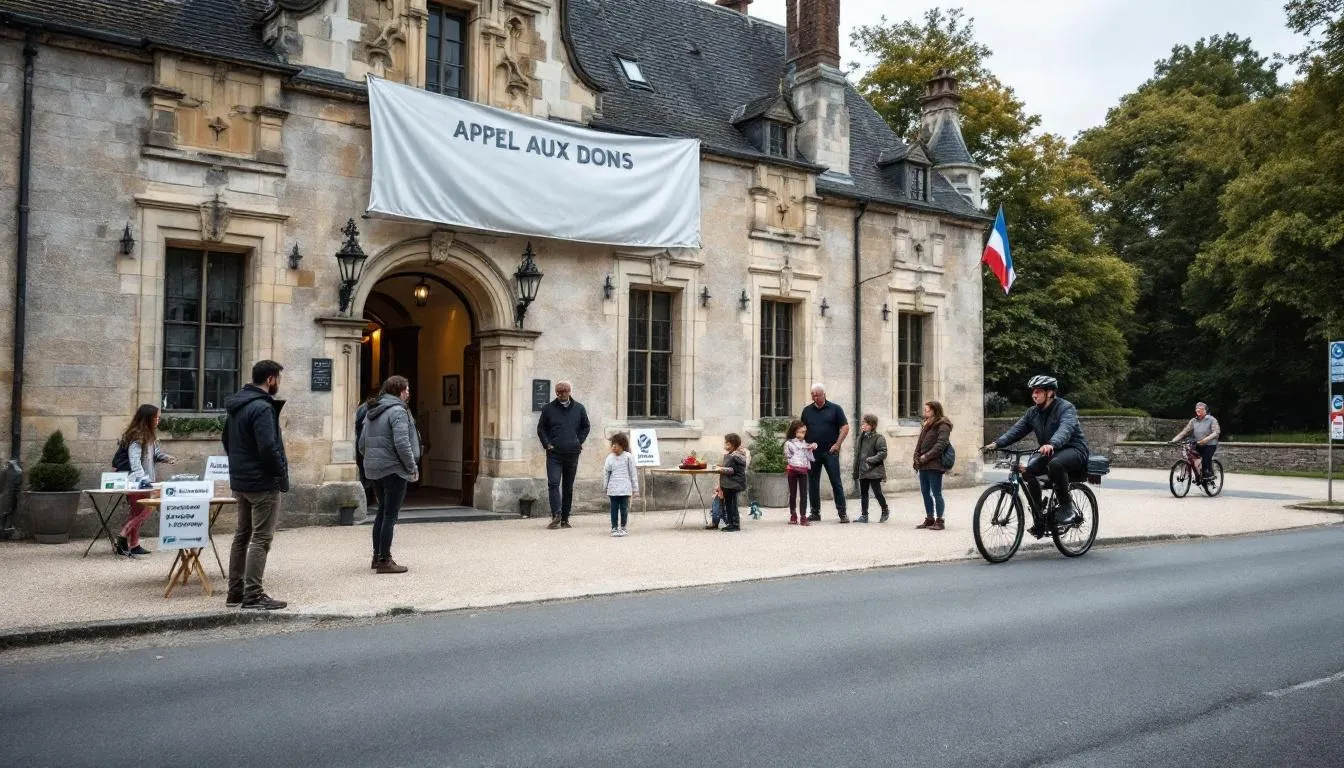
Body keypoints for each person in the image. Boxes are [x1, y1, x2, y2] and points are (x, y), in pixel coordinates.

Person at [984, 375, 1089, 537]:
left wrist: (1052, 443)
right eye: (1033, 392)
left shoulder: (1066, 408)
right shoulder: (1033, 413)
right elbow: (1016, 430)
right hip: (1051, 451)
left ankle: (1067, 507)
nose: (1034, 395)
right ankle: (1039, 515)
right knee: (1028, 470)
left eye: (1038, 391)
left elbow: (1065, 429)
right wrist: (997, 444)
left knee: (1055, 464)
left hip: (1073, 449)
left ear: (1050, 392)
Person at [222, 360, 290, 611]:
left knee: (242, 536)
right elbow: (268, 447)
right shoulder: (262, 407)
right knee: (261, 539)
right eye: (278, 379)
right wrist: (279, 473)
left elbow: (226, 440)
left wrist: (240, 466)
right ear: (270, 379)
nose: (278, 383)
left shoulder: (238, 405)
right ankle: (253, 594)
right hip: (262, 483)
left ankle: (235, 592)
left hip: (241, 481)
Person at [358, 376, 420, 574]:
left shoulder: (372, 410)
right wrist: (411, 467)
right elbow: (402, 443)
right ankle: (385, 560)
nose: (409, 393)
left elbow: (361, 444)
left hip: (375, 469)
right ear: (399, 391)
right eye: (407, 389)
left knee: (382, 511)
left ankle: (377, 557)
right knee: (390, 515)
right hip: (394, 469)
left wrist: (373, 461)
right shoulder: (398, 411)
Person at [113, 404, 177, 556]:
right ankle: (123, 534)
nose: (158, 420)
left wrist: (167, 458)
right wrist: (144, 481)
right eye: (156, 418)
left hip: (144, 481)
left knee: (137, 511)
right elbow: (135, 463)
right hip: (137, 482)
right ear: (148, 419)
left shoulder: (148, 435)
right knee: (150, 506)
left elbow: (155, 454)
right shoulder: (137, 437)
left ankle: (134, 544)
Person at [537, 381, 590, 529]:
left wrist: (578, 441)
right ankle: (556, 515)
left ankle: (565, 518)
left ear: (570, 392)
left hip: (572, 453)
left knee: (568, 486)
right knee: (553, 483)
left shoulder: (579, 408)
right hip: (554, 454)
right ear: (556, 393)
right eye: (560, 391)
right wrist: (547, 444)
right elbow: (541, 429)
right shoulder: (548, 409)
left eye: (565, 391)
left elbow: (586, 426)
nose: (563, 394)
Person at [800, 383, 850, 523]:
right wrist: (803, 445)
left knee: (836, 482)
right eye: (813, 395)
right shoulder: (807, 411)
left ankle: (842, 513)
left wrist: (837, 444)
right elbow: (801, 429)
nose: (815, 398)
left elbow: (845, 427)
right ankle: (815, 512)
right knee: (813, 482)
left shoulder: (835, 409)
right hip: (812, 453)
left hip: (830, 451)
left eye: (817, 395)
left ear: (824, 394)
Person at [913, 401, 953, 530]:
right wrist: (916, 457)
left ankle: (940, 521)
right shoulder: (926, 424)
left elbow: (941, 444)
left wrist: (926, 456)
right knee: (925, 492)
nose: (925, 412)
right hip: (923, 464)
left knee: (936, 493)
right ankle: (930, 518)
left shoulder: (943, 425)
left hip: (935, 464)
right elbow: (920, 443)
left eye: (927, 410)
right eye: (924, 410)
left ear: (935, 410)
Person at [1170, 402, 1221, 483]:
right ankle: (1195, 473)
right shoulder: (1193, 421)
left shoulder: (1212, 420)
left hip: (1210, 444)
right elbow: (1185, 432)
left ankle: (1208, 474)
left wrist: (1204, 440)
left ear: (1205, 410)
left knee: (1205, 459)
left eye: (1201, 409)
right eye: (1197, 409)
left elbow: (1216, 432)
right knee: (1189, 455)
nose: (1198, 410)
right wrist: (1174, 440)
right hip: (1198, 443)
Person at [852, 414, 889, 523]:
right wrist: (856, 469)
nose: (863, 425)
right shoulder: (860, 438)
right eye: (863, 423)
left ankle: (885, 510)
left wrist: (870, 460)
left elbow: (883, 452)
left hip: (874, 469)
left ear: (872, 425)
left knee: (877, 492)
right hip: (863, 469)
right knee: (863, 493)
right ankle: (864, 515)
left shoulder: (879, 438)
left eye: (866, 424)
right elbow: (857, 455)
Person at [603, 432, 638, 537]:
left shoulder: (628, 457)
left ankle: (623, 527)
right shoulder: (609, 458)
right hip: (613, 488)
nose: (614, 447)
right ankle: (614, 527)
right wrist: (605, 486)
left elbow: (633, 473)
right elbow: (606, 473)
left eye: (616, 444)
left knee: (624, 508)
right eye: (612, 444)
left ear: (623, 445)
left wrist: (635, 489)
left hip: (625, 488)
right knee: (614, 508)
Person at [353, 389, 380, 508]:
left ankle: (369, 498)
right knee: (366, 472)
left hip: (364, 444)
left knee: (365, 471)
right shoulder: (367, 408)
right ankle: (368, 499)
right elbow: (357, 424)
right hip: (366, 444)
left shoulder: (363, 408)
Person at [783, 420, 814, 526]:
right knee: (792, 494)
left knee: (804, 494)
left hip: (803, 470)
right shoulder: (788, 443)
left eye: (804, 432)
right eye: (801, 432)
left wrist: (810, 448)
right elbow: (787, 455)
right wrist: (799, 448)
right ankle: (793, 515)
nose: (803, 434)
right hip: (792, 470)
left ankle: (803, 517)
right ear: (794, 432)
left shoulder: (805, 443)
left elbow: (809, 456)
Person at [716, 433, 748, 532]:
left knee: (732, 505)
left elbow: (732, 470)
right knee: (728, 504)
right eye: (725, 443)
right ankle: (730, 524)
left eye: (728, 444)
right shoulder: (730, 455)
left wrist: (721, 469)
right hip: (728, 484)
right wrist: (721, 467)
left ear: (734, 445)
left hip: (734, 484)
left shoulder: (736, 456)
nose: (725, 446)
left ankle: (735, 524)